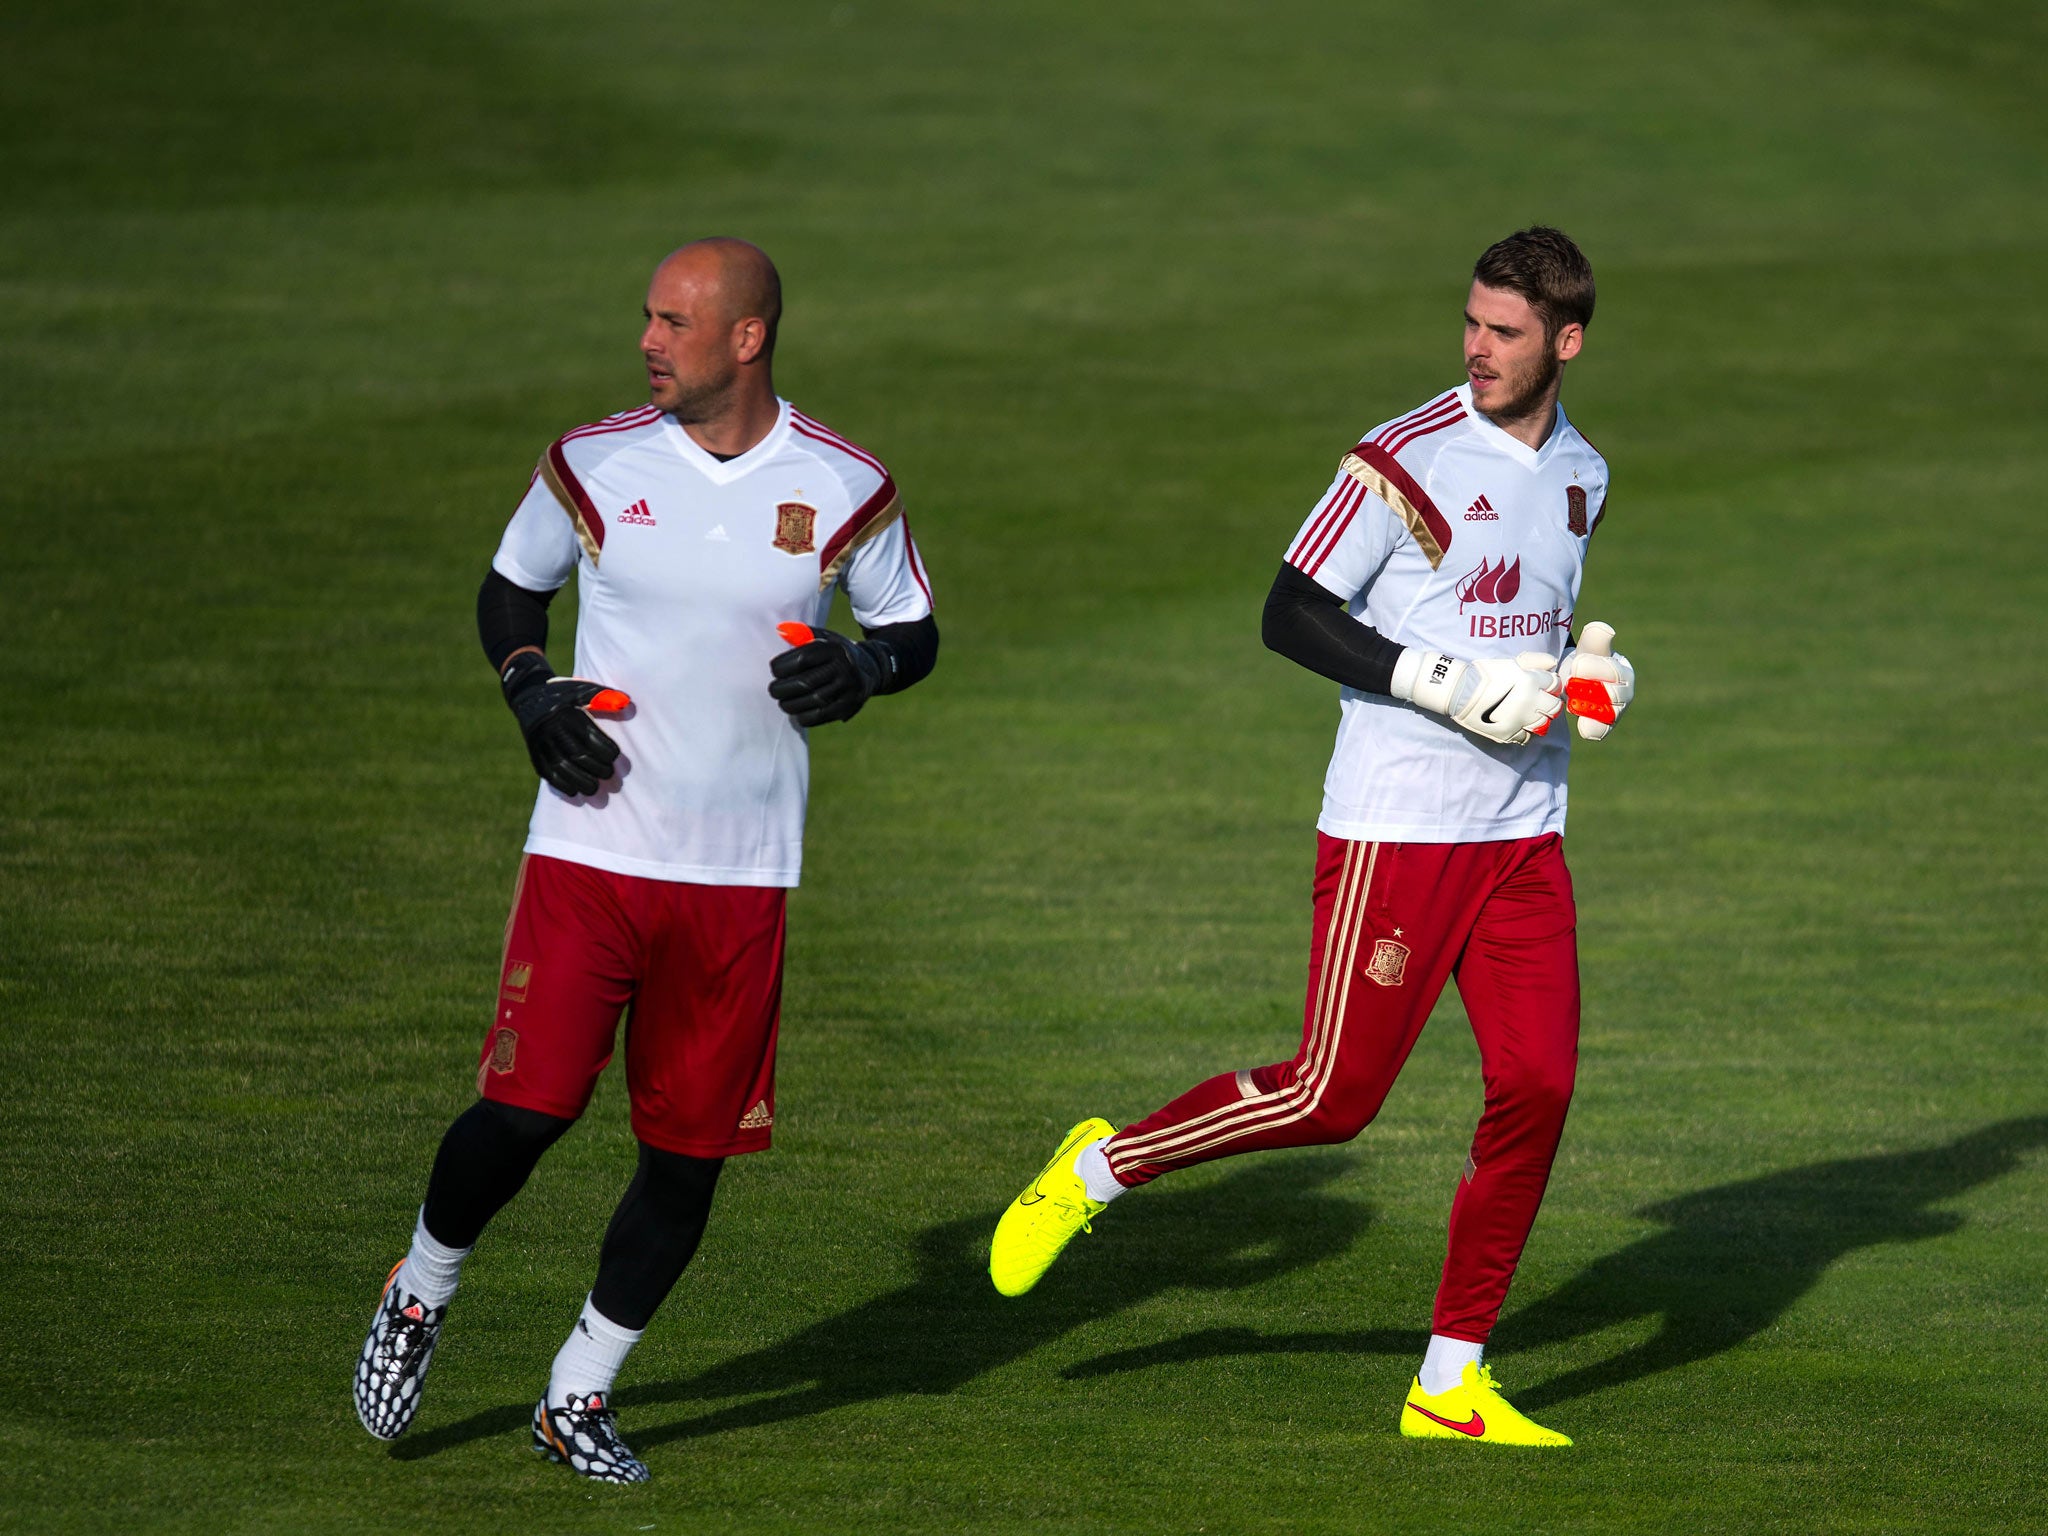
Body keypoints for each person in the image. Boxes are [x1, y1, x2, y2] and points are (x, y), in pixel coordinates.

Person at [988, 227, 1633, 1448]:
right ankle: (1094, 1170)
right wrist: (1438, 680)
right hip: (1397, 828)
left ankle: (1449, 1380)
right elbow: (1288, 612)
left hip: (1520, 838)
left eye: (1502, 332)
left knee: (1537, 1085)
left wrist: (1587, 681)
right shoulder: (1400, 460)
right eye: (1469, 322)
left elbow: (1533, 630)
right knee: (1332, 1100)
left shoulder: (1584, 473)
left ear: (1566, 341)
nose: (1474, 348)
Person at [352, 238, 938, 1482]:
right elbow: (512, 592)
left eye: (672, 322)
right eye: (646, 318)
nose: (646, 342)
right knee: (524, 1115)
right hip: (590, 851)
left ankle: (578, 1393)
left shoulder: (846, 485)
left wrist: (867, 669)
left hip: (742, 876)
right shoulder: (592, 461)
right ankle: (422, 1285)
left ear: (747, 338)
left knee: (686, 1159)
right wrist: (529, 696)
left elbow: (911, 628)